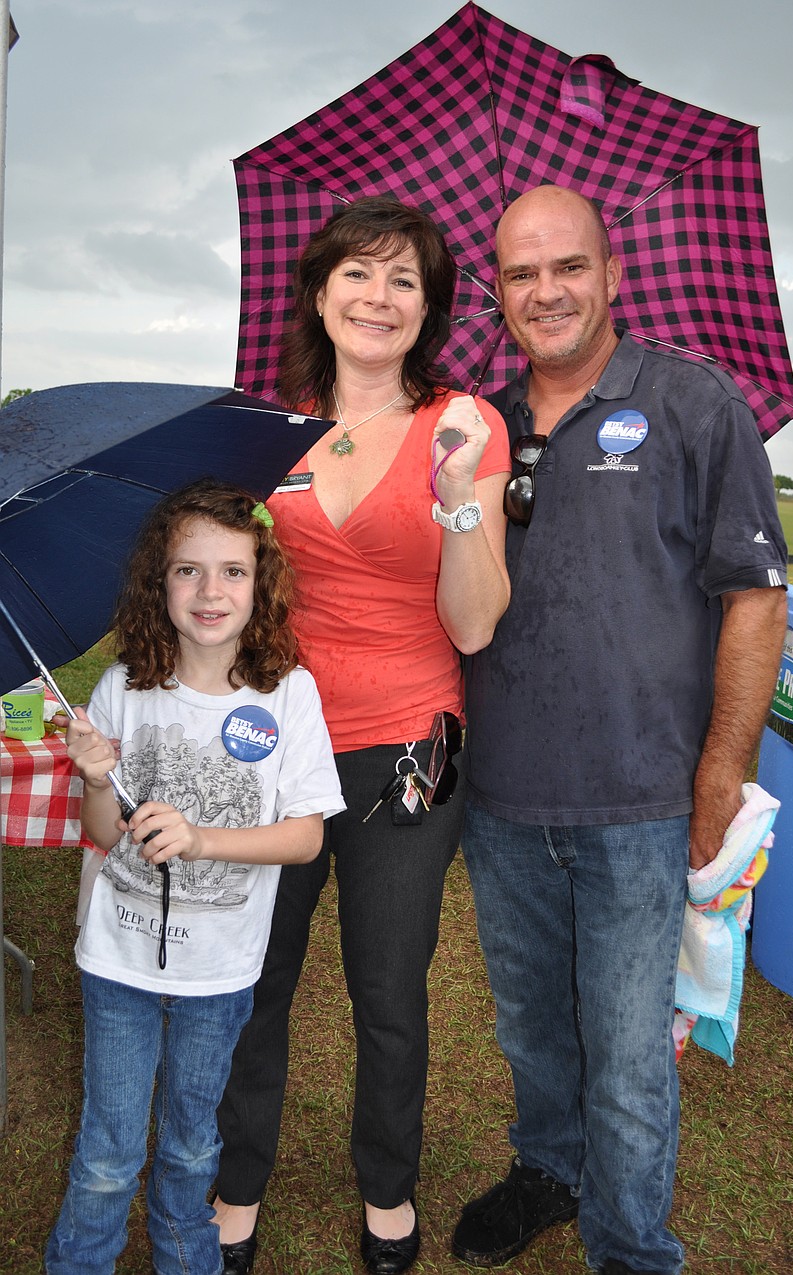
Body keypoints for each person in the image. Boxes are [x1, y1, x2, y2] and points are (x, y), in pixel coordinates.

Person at [452, 185, 789, 1275]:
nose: (544, 291)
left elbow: (753, 595)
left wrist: (722, 772)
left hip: (643, 802)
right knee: (534, 1031)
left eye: (567, 267)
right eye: (518, 273)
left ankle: (633, 1247)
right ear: (496, 290)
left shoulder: (694, 405)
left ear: (610, 273)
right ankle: (548, 1169)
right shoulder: (483, 424)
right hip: (502, 801)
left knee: (631, 1057)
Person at [213, 196, 511, 1275]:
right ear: (320, 290)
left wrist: (456, 502)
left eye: (404, 282)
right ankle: (234, 1183)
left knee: (388, 989)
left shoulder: (463, 426)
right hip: (273, 747)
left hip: (403, 750)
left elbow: (475, 622)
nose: (377, 298)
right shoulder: (269, 431)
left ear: (426, 310)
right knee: (257, 980)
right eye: (358, 274)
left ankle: (387, 1190)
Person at [45, 479, 345, 1275]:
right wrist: (96, 778)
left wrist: (202, 836)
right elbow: (103, 834)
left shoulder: (291, 694)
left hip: (220, 971)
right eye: (187, 570)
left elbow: (308, 835)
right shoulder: (122, 690)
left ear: (262, 581)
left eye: (233, 571)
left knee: (190, 1144)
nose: (210, 591)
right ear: (158, 582)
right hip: (119, 961)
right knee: (108, 1149)